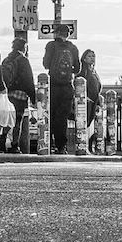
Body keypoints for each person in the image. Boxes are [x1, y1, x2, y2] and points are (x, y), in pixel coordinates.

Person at [42, 24, 81, 153]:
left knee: (51, 114)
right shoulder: (73, 48)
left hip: (53, 85)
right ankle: (61, 146)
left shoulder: (51, 46)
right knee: (62, 117)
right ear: (68, 34)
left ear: (57, 33)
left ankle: (49, 143)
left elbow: (46, 64)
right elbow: (78, 68)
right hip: (67, 86)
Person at [1, 36, 36, 154]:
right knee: (17, 121)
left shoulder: (6, 60)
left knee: (8, 119)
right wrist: (33, 97)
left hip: (8, 94)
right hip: (21, 95)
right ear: (24, 47)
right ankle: (14, 145)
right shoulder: (23, 60)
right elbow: (29, 79)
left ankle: (2, 139)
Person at [79, 49, 103, 154]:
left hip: (93, 102)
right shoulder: (83, 71)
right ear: (84, 58)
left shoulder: (94, 71)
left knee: (90, 125)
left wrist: (98, 100)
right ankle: (83, 146)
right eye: (89, 56)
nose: (92, 58)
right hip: (85, 102)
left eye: (93, 56)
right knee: (84, 124)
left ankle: (88, 147)